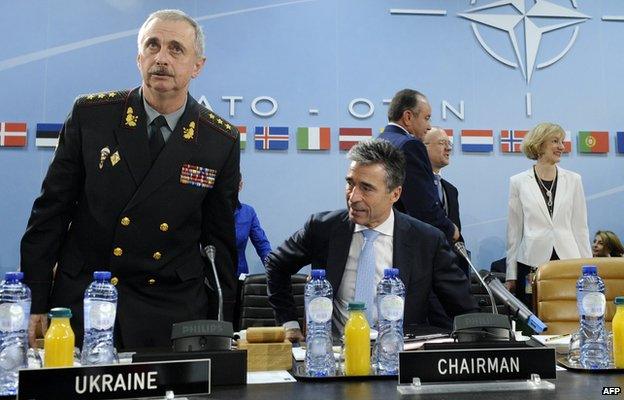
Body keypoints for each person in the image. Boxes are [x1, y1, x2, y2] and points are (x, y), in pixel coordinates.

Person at [20, 9, 240, 349]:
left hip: (170, 309)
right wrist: (35, 301)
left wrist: (222, 322)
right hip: (86, 299)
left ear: (198, 65)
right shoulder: (92, 116)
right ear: (139, 57)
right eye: (152, 46)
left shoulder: (218, 139)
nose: (161, 58)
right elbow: (50, 212)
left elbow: (219, 242)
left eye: (175, 49)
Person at [266, 139, 478, 342]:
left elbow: (463, 309)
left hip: (399, 360)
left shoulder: (427, 240)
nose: (353, 197)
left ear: (395, 194)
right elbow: (276, 264)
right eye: (350, 184)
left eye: (366, 188)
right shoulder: (323, 227)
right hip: (335, 357)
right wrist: (289, 323)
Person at [506, 122, 591, 307]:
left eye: (562, 141)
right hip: (531, 262)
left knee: (568, 310)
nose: (562, 146)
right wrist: (511, 274)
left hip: (568, 260)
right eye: (555, 141)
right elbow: (514, 232)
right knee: (535, 313)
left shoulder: (574, 180)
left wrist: (589, 270)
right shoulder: (518, 182)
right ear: (539, 144)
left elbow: (580, 228)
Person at [378, 89, 459, 245]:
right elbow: (422, 206)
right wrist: (451, 230)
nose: (429, 127)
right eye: (426, 118)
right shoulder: (410, 145)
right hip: (408, 242)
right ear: (408, 117)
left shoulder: (380, 140)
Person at [423, 127, 470, 277]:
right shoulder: (409, 187)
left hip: (446, 271)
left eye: (449, 143)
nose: (448, 148)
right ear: (423, 147)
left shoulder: (451, 190)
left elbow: (456, 235)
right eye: (442, 143)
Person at [235, 174, 271, 276]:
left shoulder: (248, 212)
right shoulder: (211, 212)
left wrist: (275, 270)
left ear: (240, 185)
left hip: (239, 275)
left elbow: (262, 245)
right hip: (212, 276)